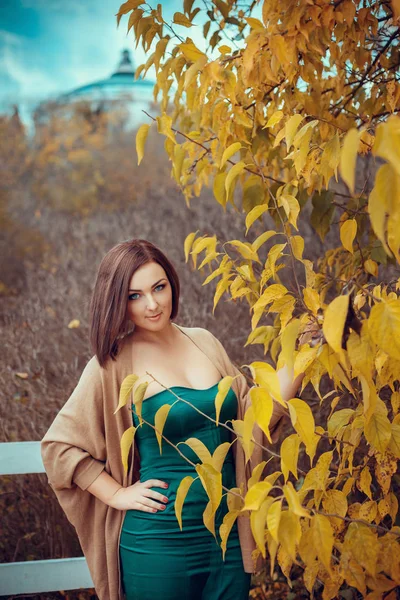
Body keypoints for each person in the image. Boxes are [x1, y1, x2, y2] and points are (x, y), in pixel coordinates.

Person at [41, 238, 312, 600]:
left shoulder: (204, 342)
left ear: (172, 283)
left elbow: (255, 415)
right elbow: (58, 447)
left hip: (229, 535)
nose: (152, 304)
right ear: (117, 301)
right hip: (159, 542)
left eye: (159, 287)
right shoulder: (113, 364)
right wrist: (118, 494)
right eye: (134, 295)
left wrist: (311, 346)